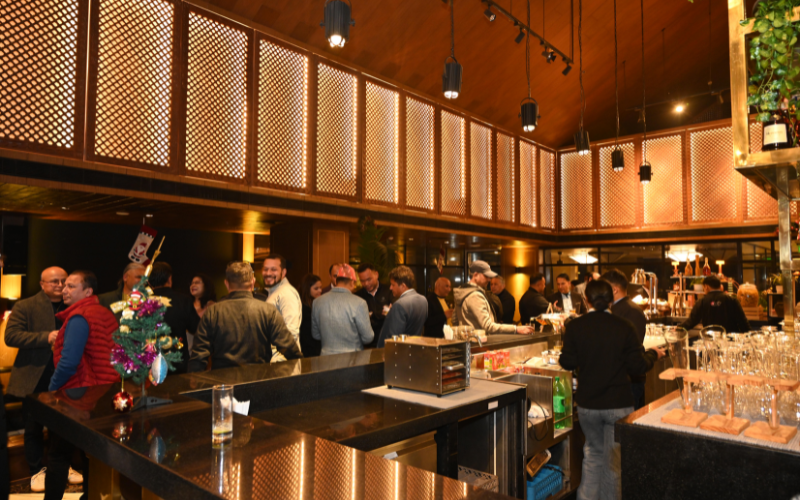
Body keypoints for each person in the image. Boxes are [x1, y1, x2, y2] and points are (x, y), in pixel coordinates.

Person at [558, 280, 664, 500]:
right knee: (614, 461)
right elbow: (637, 366)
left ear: (586, 300)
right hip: (618, 403)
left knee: (593, 454)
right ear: (611, 300)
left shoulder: (576, 326)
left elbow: (566, 362)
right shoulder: (624, 326)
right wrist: (653, 354)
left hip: (588, 404)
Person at [46, 270, 120, 500]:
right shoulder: (105, 313)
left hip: (77, 395)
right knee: (91, 454)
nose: (64, 290)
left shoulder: (79, 317)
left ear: (88, 291)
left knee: (58, 454)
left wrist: (53, 389)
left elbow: (69, 362)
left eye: (71, 286)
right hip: (103, 392)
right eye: (65, 285)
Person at [4, 267, 78, 489]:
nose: (60, 285)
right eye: (54, 281)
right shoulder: (25, 305)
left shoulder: (74, 305)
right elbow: (11, 336)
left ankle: (62, 466)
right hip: (34, 375)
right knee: (33, 426)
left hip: (66, 375)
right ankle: (36, 470)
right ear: (42, 284)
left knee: (63, 425)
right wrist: (45, 337)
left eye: (64, 281)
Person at [188, 261, 302, 372]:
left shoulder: (213, 312)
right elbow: (289, 348)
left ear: (226, 284)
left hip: (223, 380)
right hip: (259, 378)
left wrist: (194, 381)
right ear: (253, 282)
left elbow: (198, 357)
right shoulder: (268, 311)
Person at [603, 269, 648, 410]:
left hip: (628, 382)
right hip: (617, 381)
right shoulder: (615, 309)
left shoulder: (631, 311)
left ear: (614, 290)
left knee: (626, 421)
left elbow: (629, 350)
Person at [454, 261, 534, 335]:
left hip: (468, 341)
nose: (489, 279)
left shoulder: (463, 292)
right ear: (475, 275)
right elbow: (488, 326)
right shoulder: (475, 295)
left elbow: (455, 320)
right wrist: (516, 329)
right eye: (486, 276)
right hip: (479, 341)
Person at [148, 262, 199, 374]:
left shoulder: (142, 304)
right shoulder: (183, 300)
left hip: (150, 365)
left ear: (149, 282)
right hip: (178, 363)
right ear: (170, 279)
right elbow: (196, 328)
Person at [312, 264, 374, 355]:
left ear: (336, 281)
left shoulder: (317, 302)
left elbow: (316, 335)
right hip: (353, 358)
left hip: (326, 358)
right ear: (352, 282)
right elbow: (368, 337)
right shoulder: (359, 303)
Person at [262, 254, 303, 361]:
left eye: (273, 269)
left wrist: (277, 360)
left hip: (282, 361)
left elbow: (291, 332)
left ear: (283, 272)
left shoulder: (286, 293)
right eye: (265, 269)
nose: (268, 273)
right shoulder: (275, 292)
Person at [376, 266, 428, 347]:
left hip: (400, 350)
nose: (390, 288)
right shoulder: (423, 300)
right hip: (415, 348)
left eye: (393, 285)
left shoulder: (399, 305)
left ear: (403, 286)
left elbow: (394, 338)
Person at [680, 275, 751, 333]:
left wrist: (678, 328)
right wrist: (750, 336)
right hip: (730, 341)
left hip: (710, 340)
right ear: (720, 286)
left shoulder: (702, 301)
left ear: (706, 286)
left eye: (703, 287)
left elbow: (692, 321)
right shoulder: (732, 300)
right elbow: (743, 322)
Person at [355, 263, 393, 347]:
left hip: (387, 340)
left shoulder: (389, 290)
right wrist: (381, 313)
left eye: (369, 279)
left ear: (376, 275)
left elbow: (393, 313)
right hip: (367, 344)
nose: (366, 284)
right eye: (362, 281)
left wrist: (371, 315)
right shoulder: (357, 296)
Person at [299, 274, 323, 357]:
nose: (320, 290)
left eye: (320, 287)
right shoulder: (303, 308)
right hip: (308, 350)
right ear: (307, 289)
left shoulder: (318, 303)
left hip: (316, 348)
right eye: (316, 288)